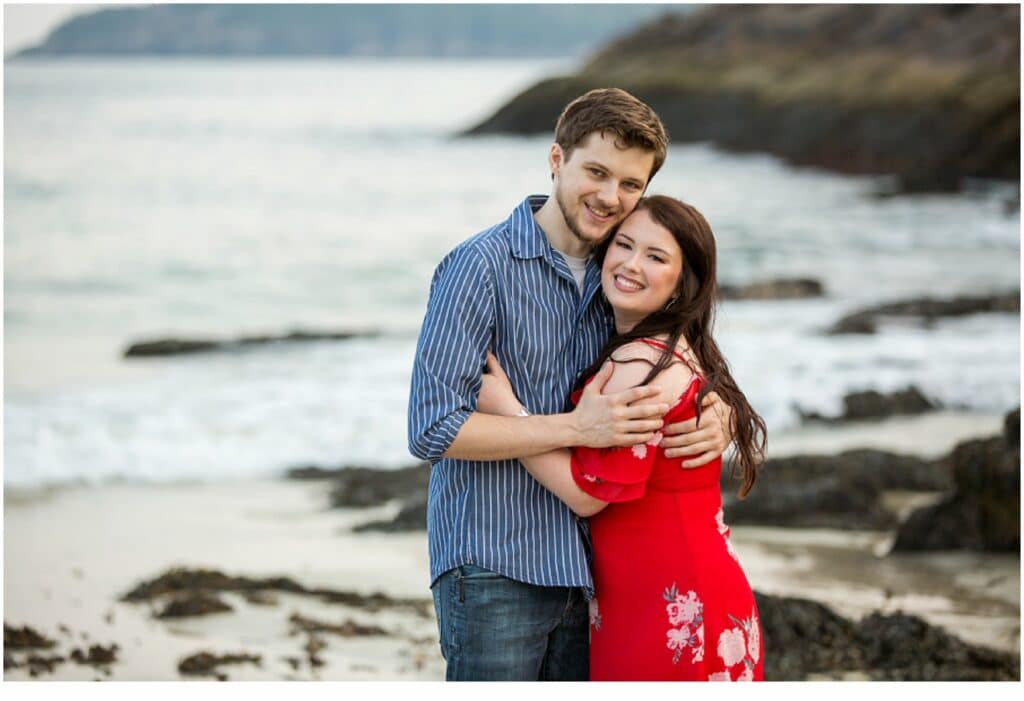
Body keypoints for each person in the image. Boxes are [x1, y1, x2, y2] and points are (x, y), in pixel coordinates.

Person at [407, 88, 734, 681]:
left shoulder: (620, 268)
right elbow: (433, 428)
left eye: (629, 185)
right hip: (494, 565)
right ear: (557, 160)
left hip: (590, 574)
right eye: (597, 172)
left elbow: (676, 347)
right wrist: (574, 427)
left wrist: (719, 409)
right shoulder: (479, 268)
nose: (610, 198)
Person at [477, 195, 767, 681]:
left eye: (655, 257)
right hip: (694, 592)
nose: (631, 265)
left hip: (668, 606)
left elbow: (587, 493)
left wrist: (505, 407)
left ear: (682, 283)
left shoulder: (638, 363)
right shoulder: (680, 349)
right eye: (624, 245)